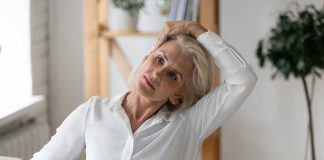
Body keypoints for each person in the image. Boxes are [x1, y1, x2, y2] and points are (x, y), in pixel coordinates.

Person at [32, 20, 257, 160]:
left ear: (178, 92)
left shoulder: (189, 125)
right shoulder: (92, 113)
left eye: (173, 75)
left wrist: (194, 29)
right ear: (146, 58)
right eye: (159, 60)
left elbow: (243, 79)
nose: (157, 73)